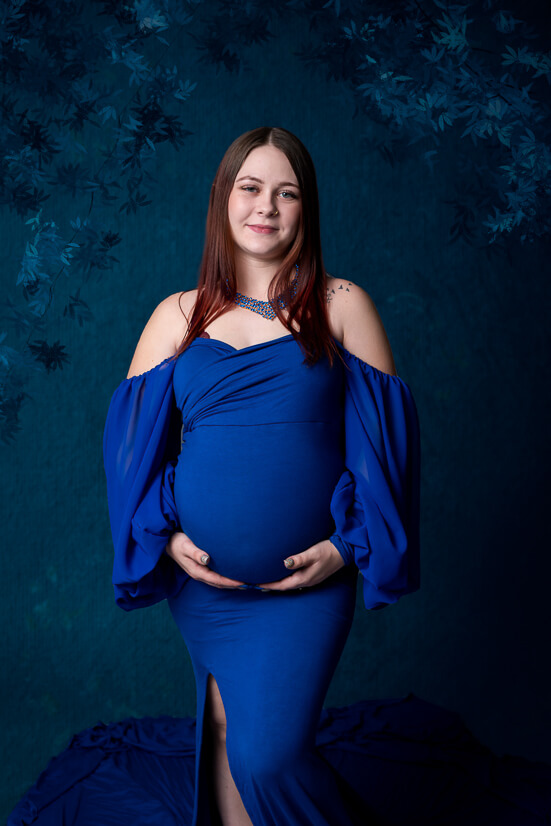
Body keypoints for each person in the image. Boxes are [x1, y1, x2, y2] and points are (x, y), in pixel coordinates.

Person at [103, 126, 420, 826]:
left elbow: (387, 456)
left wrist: (343, 548)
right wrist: (162, 538)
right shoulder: (177, 316)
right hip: (205, 587)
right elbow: (130, 454)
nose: (266, 206)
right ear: (223, 199)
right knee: (222, 735)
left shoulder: (341, 305)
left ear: (306, 209)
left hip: (307, 589)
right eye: (250, 188)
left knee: (269, 755)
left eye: (287, 192)